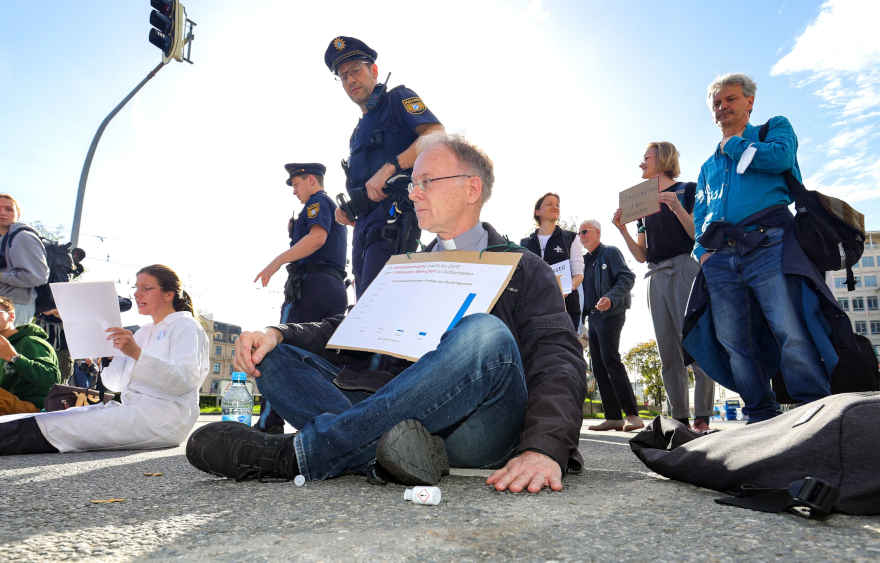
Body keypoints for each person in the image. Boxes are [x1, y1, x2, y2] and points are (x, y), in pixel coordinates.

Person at [186, 135, 586, 493]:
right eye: (413, 184)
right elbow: (351, 325)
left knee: (485, 334)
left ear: (471, 188)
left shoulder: (524, 267)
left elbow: (559, 358)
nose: (414, 193)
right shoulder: (406, 268)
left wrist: (544, 447)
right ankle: (389, 452)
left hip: (480, 425)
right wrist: (278, 333)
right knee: (273, 357)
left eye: (426, 181)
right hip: (395, 414)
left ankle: (300, 454)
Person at [0, 264, 210, 460]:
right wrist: (112, 357)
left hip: (164, 419)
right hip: (134, 411)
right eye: (136, 287)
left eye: (146, 288)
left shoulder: (185, 326)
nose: (137, 294)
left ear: (169, 293)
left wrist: (135, 354)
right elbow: (116, 384)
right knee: (53, 420)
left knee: (54, 427)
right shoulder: (143, 332)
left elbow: (184, 381)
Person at [684, 73, 834, 423]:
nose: (722, 107)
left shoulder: (774, 129)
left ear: (749, 102)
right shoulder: (708, 166)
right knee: (732, 340)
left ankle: (815, 410)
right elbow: (701, 213)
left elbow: (781, 159)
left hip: (769, 243)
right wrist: (701, 254)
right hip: (720, 258)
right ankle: (759, 414)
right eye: (717, 103)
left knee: (788, 327)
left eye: (730, 99)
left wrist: (736, 146)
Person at [324, 36, 445, 299]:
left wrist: (392, 167)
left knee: (380, 307)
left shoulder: (398, 99)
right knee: (364, 307)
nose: (350, 80)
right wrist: (348, 210)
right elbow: (366, 184)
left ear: (374, 70)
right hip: (364, 232)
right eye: (343, 76)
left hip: (394, 222)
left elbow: (437, 135)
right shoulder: (357, 132)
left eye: (355, 70)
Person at [612, 143, 715, 432]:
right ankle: (679, 418)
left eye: (646, 158)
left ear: (663, 158)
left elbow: (698, 234)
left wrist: (676, 207)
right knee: (667, 350)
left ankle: (702, 417)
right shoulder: (642, 205)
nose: (641, 163)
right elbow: (641, 254)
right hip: (655, 275)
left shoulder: (688, 190)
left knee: (695, 341)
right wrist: (622, 229)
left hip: (685, 268)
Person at [254, 163, 349, 435]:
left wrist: (277, 262)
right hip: (333, 286)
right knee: (324, 355)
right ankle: (323, 422)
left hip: (310, 285)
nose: (294, 191)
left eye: (296, 184)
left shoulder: (317, 203)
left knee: (280, 343)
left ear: (311, 180)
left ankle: (268, 424)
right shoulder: (329, 207)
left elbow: (317, 238)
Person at [579, 220, 641, 432]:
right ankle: (613, 417)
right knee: (598, 365)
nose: (581, 236)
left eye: (585, 231)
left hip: (612, 314)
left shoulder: (610, 252)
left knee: (610, 360)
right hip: (594, 318)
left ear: (597, 232)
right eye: (579, 233)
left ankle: (633, 415)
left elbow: (627, 278)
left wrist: (610, 298)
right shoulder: (583, 262)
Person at [0, 193, 49, 326]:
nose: (2, 213)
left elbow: (38, 277)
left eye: (9, 209)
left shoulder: (23, 237)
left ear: (18, 214)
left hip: (15, 306)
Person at [520, 193, 585, 331]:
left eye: (557, 205)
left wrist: (563, 290)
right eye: (549, 204)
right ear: (537, 212)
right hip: (533, 311)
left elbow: (578, 275)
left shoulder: (571, 238)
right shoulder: (524, 244)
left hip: (565, 310)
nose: (555, 207)